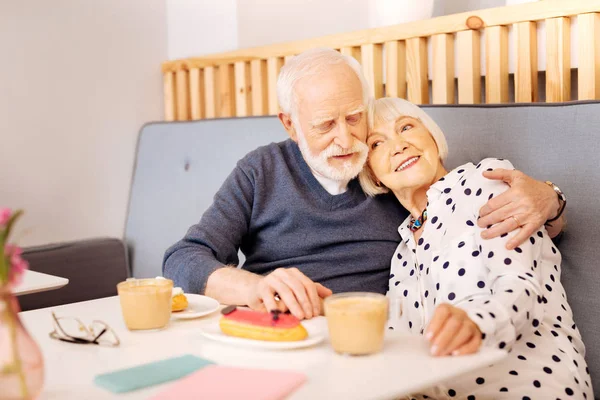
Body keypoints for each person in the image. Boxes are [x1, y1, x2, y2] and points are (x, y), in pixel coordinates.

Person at [163, 47, 565, 321]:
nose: (344, 139)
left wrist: (551, 200)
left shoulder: (387, 174)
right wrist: (256, 287)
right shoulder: (261, 170)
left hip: (358, 347)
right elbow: (182, 260)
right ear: (290, 124)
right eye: (324, 125)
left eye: (355, 118)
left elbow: (473, 212)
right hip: (269, 328)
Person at [362, 97, 590, 399]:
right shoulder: (401, 255)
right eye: (377, 144)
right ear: (374, 174)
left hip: (529, 383)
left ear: (432, 137)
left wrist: (477, 323)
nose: (398, 145)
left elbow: (522, 287)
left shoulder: (484, 181)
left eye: (406, 127)